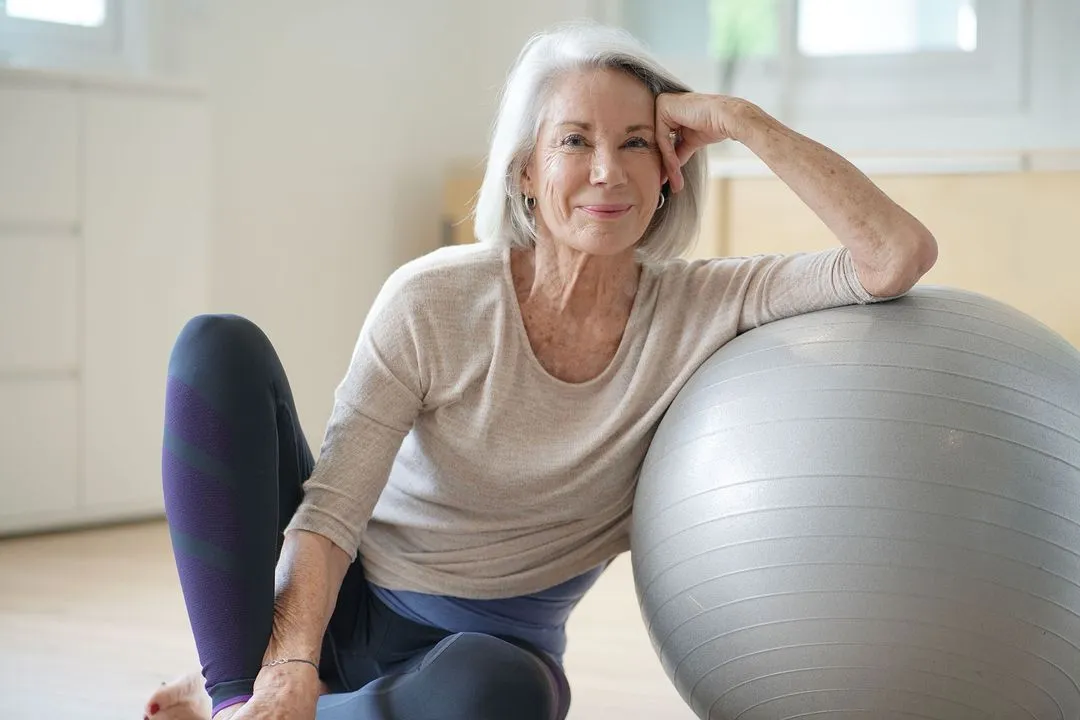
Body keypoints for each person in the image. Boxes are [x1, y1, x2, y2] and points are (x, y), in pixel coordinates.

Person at [144, 20, 937, 720]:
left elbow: (893, 256)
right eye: (575, 141)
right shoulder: (435, 299)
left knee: (500, 695)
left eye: (636, 142)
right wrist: (289, 664)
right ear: (525, 170)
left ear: (670, 169)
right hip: (340, 599)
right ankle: (238, 697)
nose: (607, 170)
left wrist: (740, 119)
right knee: (217, 346)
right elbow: (331, 513)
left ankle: (272, 710)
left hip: (481, 657)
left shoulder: (705, 306)